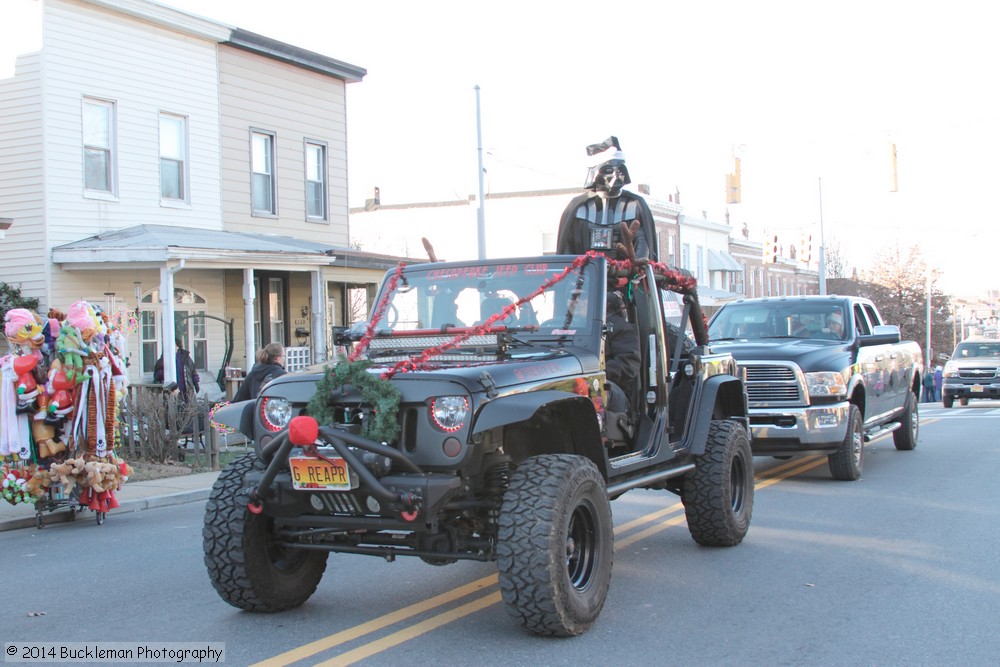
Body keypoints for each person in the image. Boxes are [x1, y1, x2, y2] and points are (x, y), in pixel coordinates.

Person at [556, 136, 657, 262]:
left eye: (619, 170)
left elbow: (643, 244)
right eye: (608, 170)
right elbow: (567, 247)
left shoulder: (635, 205)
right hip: (586, 276)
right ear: (595, 173)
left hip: (626, 277)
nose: (616, 176)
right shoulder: (577, 207)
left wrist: (636, 265)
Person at [604, 291, 641, 415]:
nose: (576, 301)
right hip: (564, 382)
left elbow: (628, 366)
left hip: (612, 386)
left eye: (581, 297)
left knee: (600, 390)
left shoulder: (619, 327)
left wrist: (599, 373)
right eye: (572, 297)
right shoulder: (554, 326)